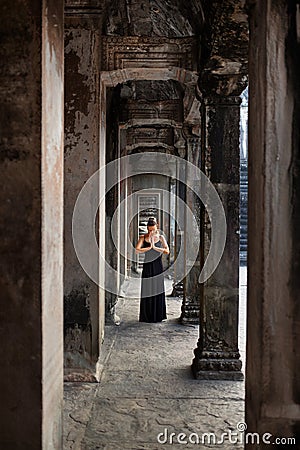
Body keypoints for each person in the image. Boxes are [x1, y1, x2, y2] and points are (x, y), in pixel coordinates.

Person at [135, 217, 170, 323]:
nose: (151, 231)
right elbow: (137, 250)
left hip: (158, 266)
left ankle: (158, 315)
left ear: (157, 227)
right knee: (147, 288)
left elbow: (167, 251)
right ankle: (147, 316)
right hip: (147, 265)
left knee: (157, 288)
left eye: (153, 229)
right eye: (149, 229)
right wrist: (149, 247)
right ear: (147, 228)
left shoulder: (161, 237)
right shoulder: (143, 237)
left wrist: (155, 247)